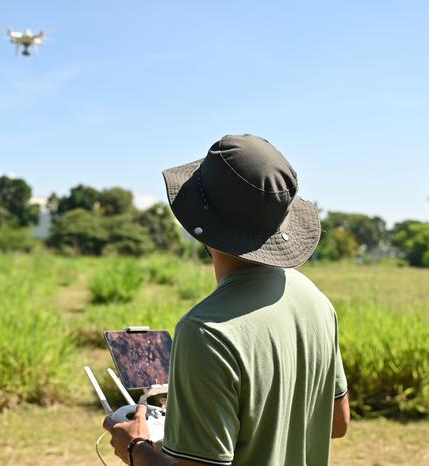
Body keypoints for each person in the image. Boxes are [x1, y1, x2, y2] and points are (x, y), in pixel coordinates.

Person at [103, 134, 350, 466]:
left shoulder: (206, 331)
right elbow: (338, 422)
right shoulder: (315, 300)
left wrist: (135, 446)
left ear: (197, 222)